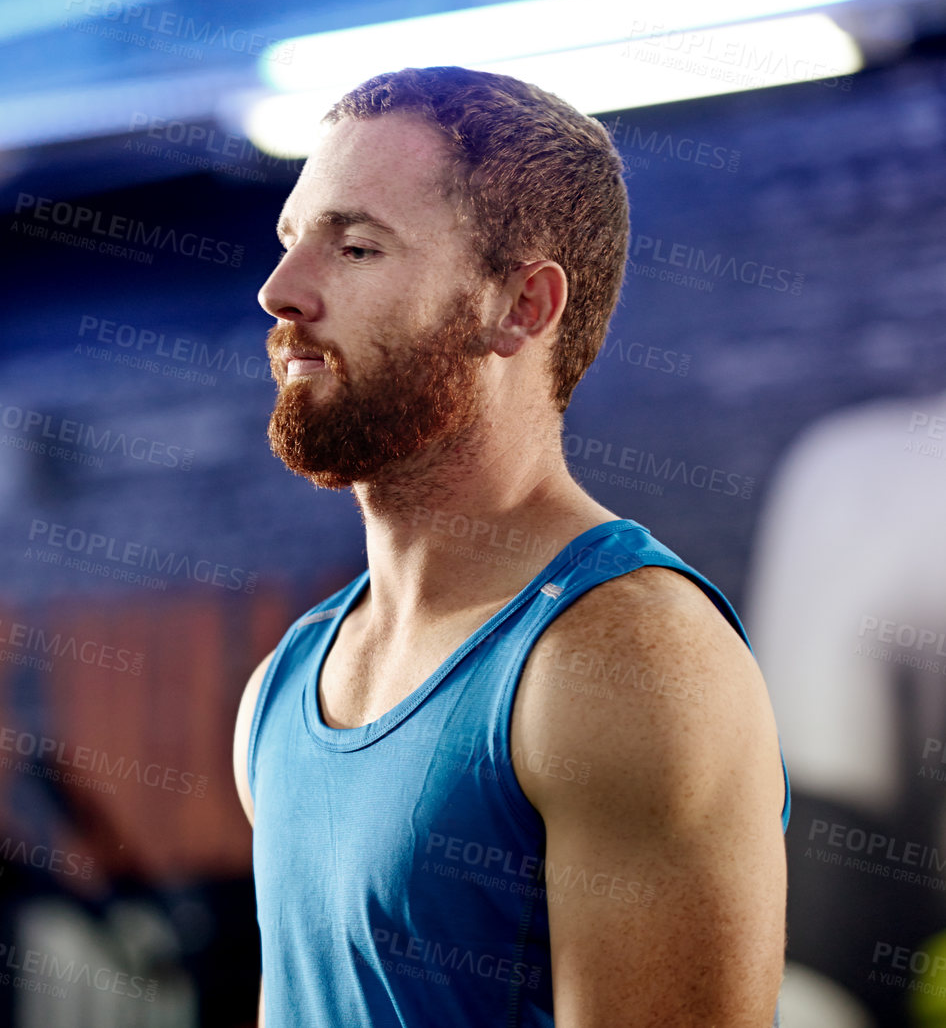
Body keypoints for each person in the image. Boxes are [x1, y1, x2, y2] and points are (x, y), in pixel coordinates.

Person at [232, 66, 791, 1027]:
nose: (280, 293)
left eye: (356, 248)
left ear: (522, 307)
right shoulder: (283, 686)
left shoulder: (626, 663)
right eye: (291, 242)